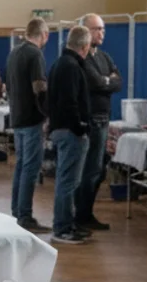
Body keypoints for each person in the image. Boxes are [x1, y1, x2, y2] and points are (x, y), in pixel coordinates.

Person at [75, 14, 123, 232]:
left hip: (105, 118)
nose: (101, 33)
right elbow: (94, 82)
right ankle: (80, 215)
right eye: (96, 29)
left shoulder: (104, 56)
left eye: (102, 29)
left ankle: (87, 212)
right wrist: (107, 80)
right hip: (91, 119)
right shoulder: (82, 58)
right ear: (85, 31)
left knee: (99, 170)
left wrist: (107, 81)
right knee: (89, 170)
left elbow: (118, 81)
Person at [47, 26, 94, 245]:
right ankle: (62, 227)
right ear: (84, 46)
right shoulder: (71, 67)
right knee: (67, 181)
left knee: (67, 180)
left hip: (60, 128)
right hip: (70, 131)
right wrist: (80, 126)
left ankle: (66, 223)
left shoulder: (59, 63)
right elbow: (71, 102)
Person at [7, 17, 52, 232]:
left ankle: (17, 212)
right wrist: (48, 113)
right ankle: (25, 215)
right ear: (44, 35)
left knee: (22, 166)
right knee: (31, 169)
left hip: (17, 117)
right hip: (32, 118)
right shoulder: (35, 54)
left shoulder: (14, 52)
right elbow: (39, 87)